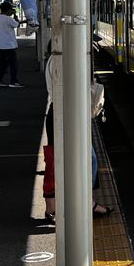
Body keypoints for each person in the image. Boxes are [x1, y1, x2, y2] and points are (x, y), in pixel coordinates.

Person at [43, 42, 111, 223]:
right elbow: (74, 90)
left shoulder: (54, 59)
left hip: (60, 113)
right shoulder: (65, 60)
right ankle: (80, 204)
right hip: (67, 115)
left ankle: (60, 206)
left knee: (57, 161)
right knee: (84, 160)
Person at [0, 1, 26, 88]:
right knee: (13, 64)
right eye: (10, 10)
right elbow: (17, 24)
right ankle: (13, 81)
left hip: (0, 45)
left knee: (3, 64)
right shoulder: (8, 19)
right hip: (9, 45)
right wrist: (15, 16)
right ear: (8, 10)